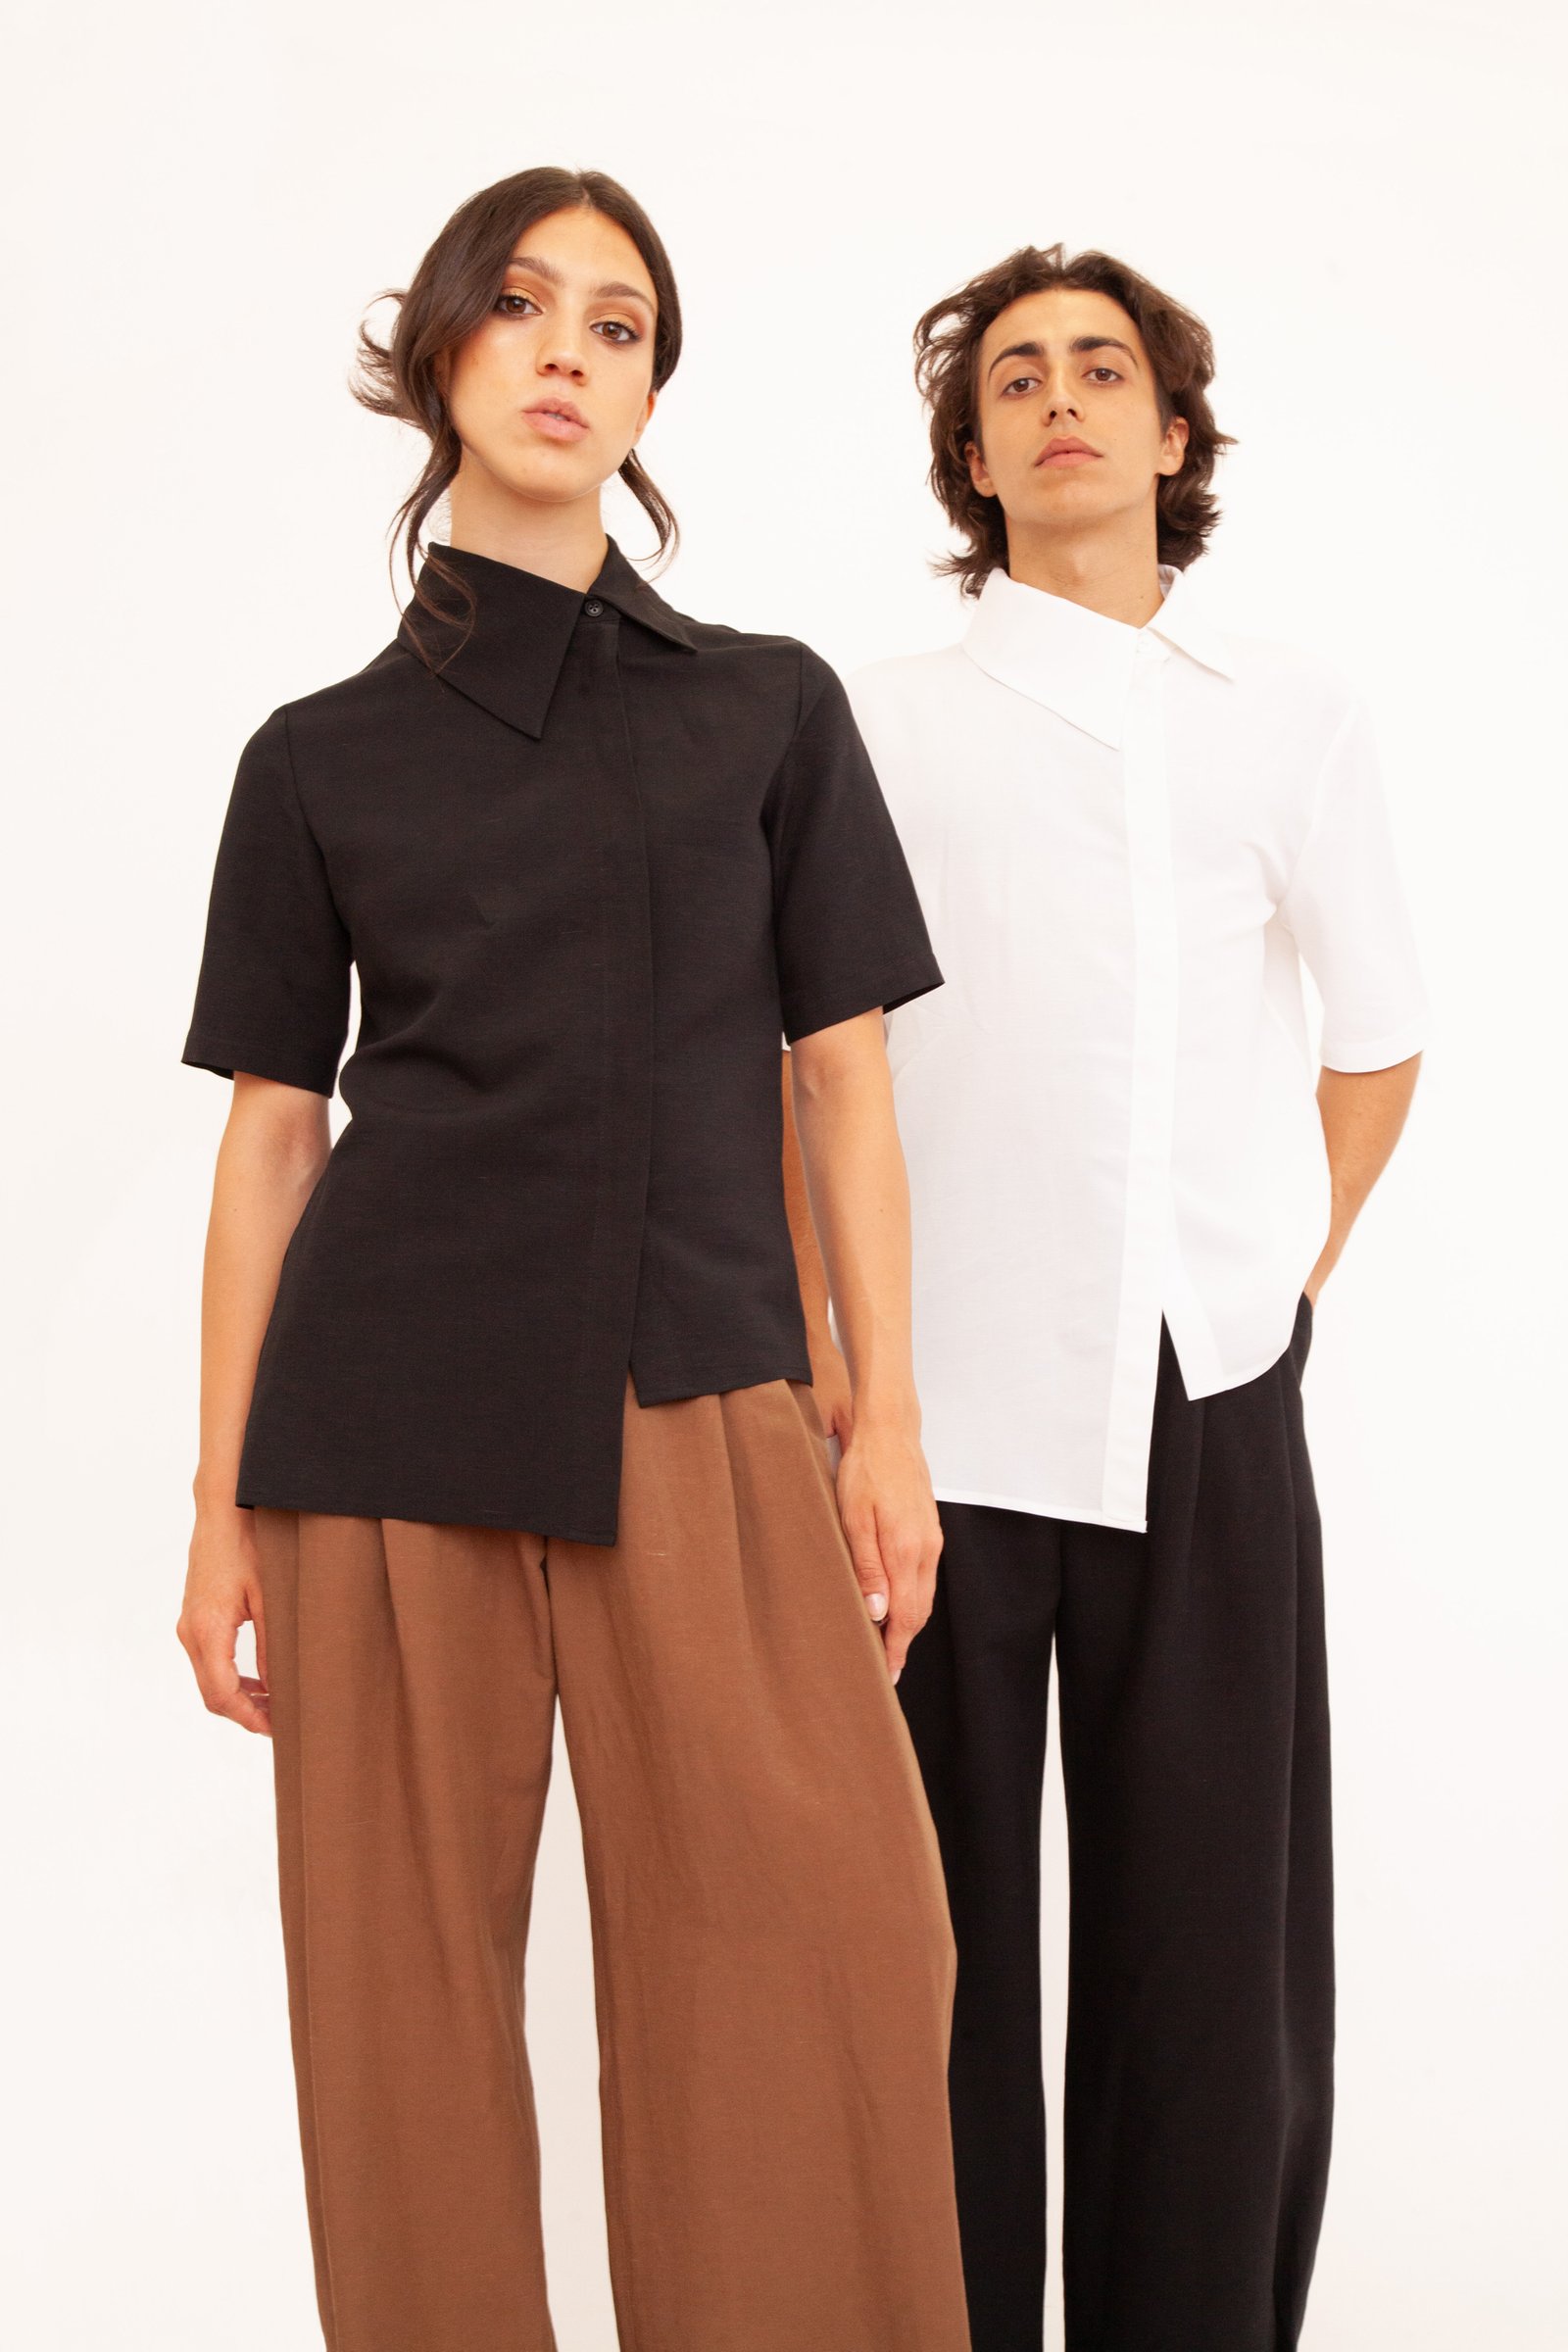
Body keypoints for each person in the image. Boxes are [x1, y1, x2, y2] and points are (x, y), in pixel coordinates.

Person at [174, 165, 972, 2352]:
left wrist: (884, 1424)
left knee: (829, 1946)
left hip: (700, 1393)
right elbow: (271, 1139)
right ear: (440, 352)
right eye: (521, 306)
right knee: (400, 2010)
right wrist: (218, 1502)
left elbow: (844, 1089)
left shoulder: (769, 709)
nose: (566, 351)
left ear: (648, 391)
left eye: (617, 325)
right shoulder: (314, 758)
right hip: (376, 1427)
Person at [792, 242, 1427, 2351]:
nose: (1058, 399)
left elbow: (1375, 1039)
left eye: (1100, 368)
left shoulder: (1293, 715)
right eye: (1013, 380)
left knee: (1210, 1955)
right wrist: (840, 1364)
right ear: (972, 458)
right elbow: (806, 1062)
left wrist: (1268, 1266)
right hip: (927, 1409)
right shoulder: (873, 722)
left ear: (1170, 430)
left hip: (1204, 1390)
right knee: (931, 1954)